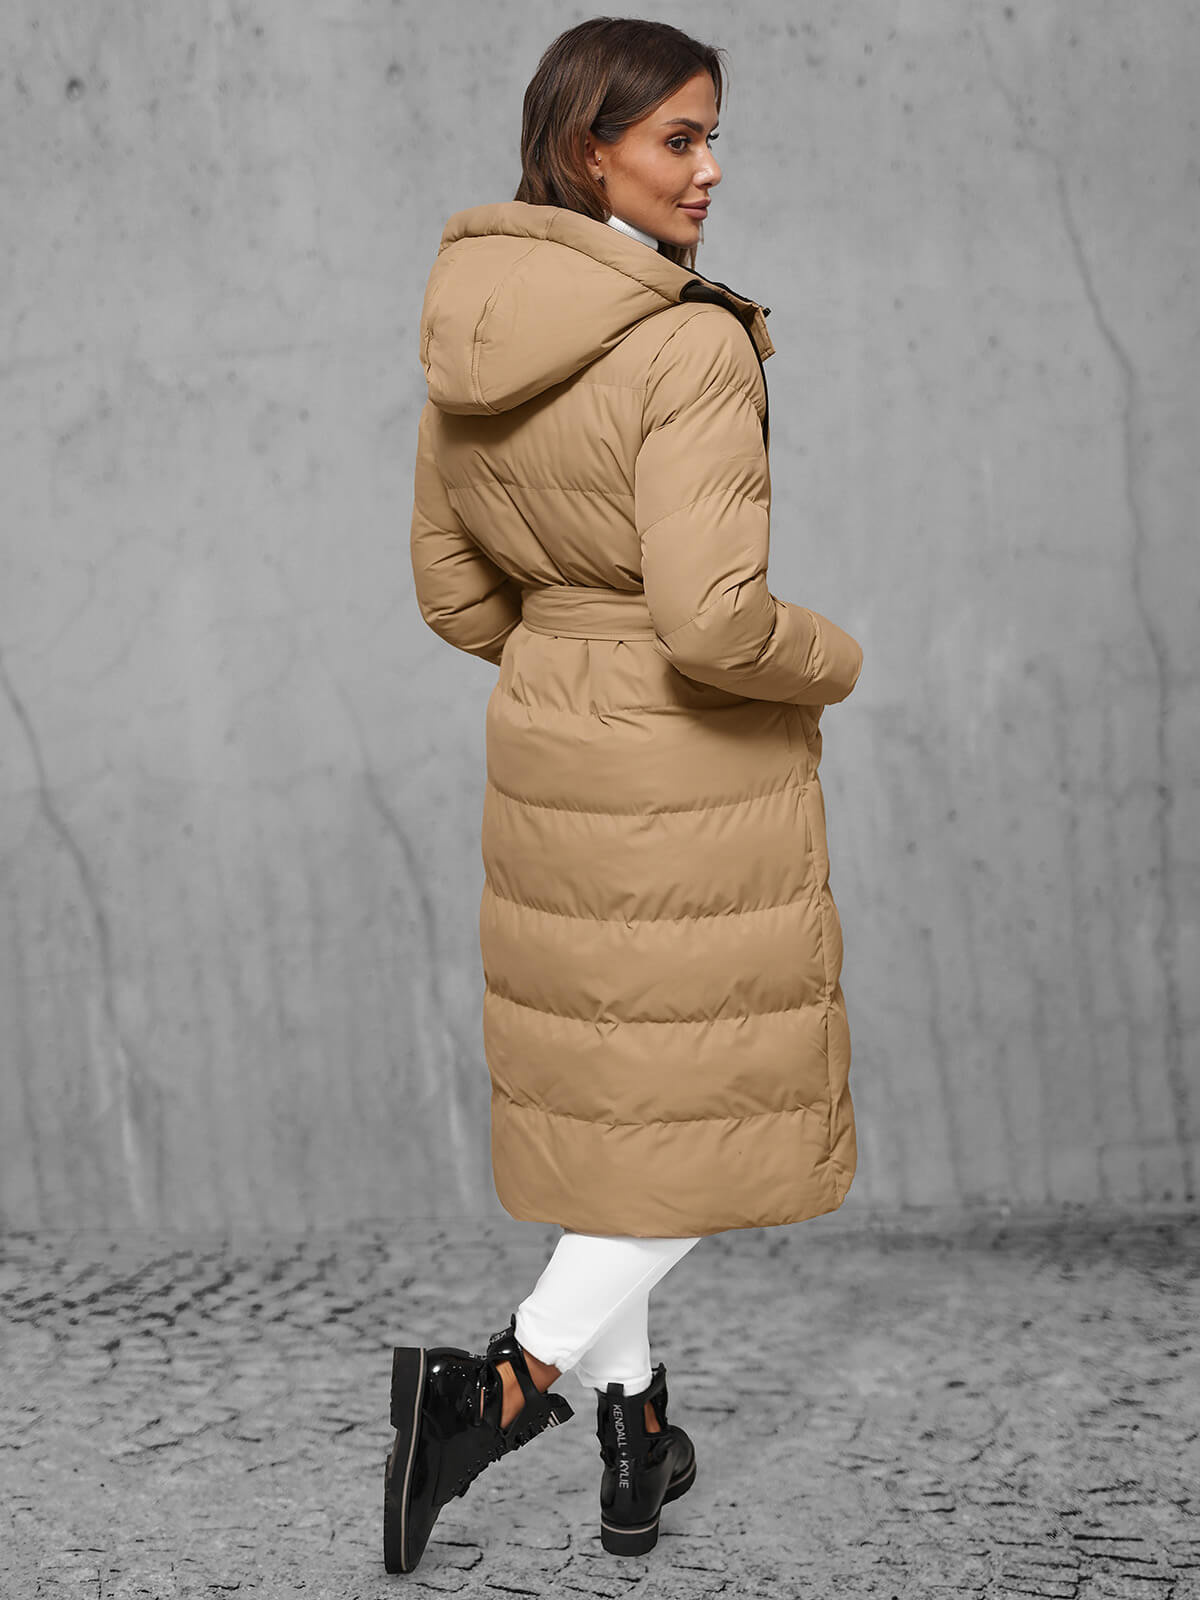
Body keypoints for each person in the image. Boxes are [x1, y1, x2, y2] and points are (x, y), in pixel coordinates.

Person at [386, 15, 865, 1575]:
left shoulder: (471, 324)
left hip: (548, 736)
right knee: (694, 1122)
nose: (710, 169)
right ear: (589, 150)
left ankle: (635, 1440)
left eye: (715, 136)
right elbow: (716, 625)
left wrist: (567, 656)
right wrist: (830, 659)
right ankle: (494, 1392)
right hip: (682, 761)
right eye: (679, 139)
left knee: (625, 1116)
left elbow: (454, 596)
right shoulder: (688, 340)